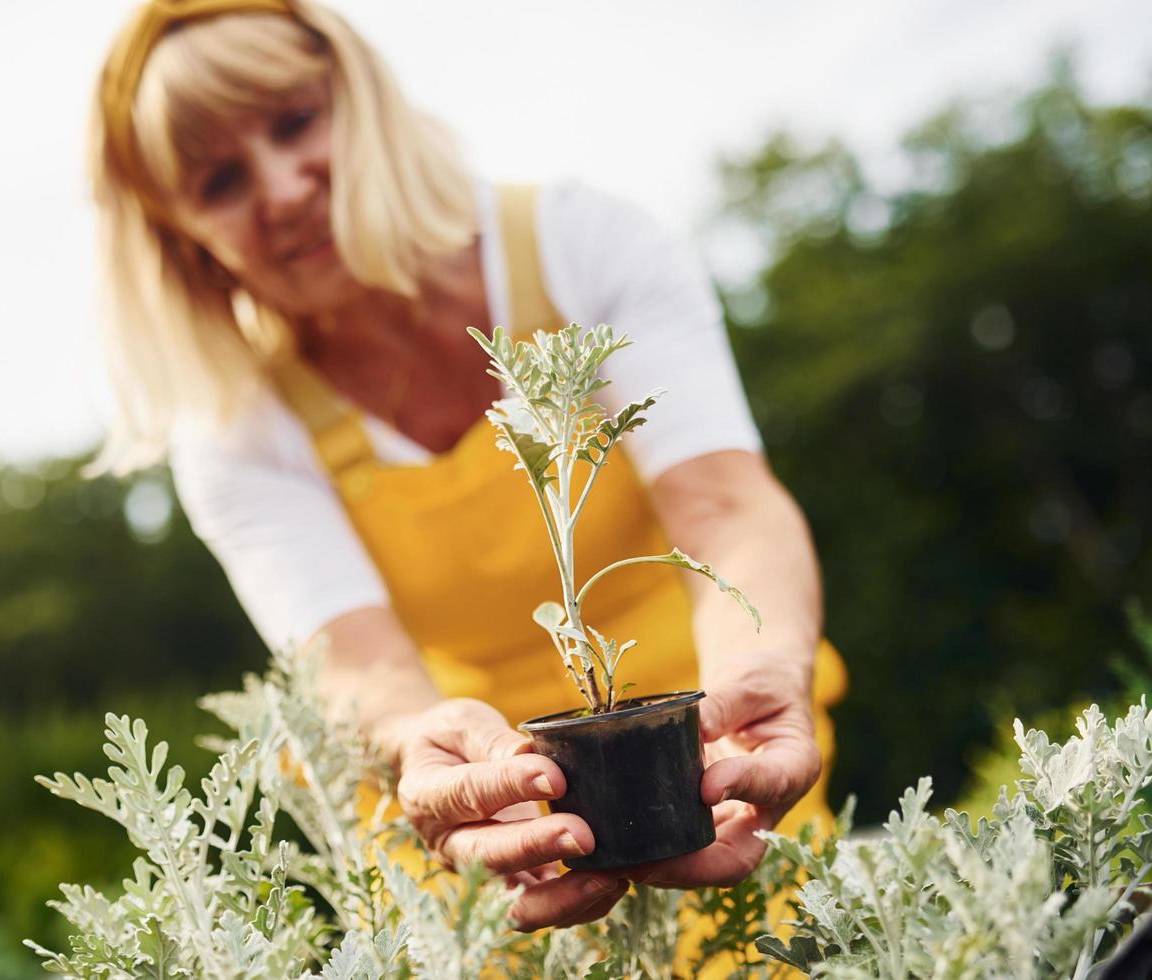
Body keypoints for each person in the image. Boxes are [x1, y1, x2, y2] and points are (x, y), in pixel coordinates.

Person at [89, 0, 848, 943]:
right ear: (181, 236)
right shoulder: (239, 431)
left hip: (710, 755)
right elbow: (360, 670)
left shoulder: (583, 244)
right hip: (485, 817)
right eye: (219, 180)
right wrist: (427, 752)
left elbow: (727, 508)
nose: (283, 188)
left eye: (295, 122)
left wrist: (762, 665)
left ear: (362, 99)